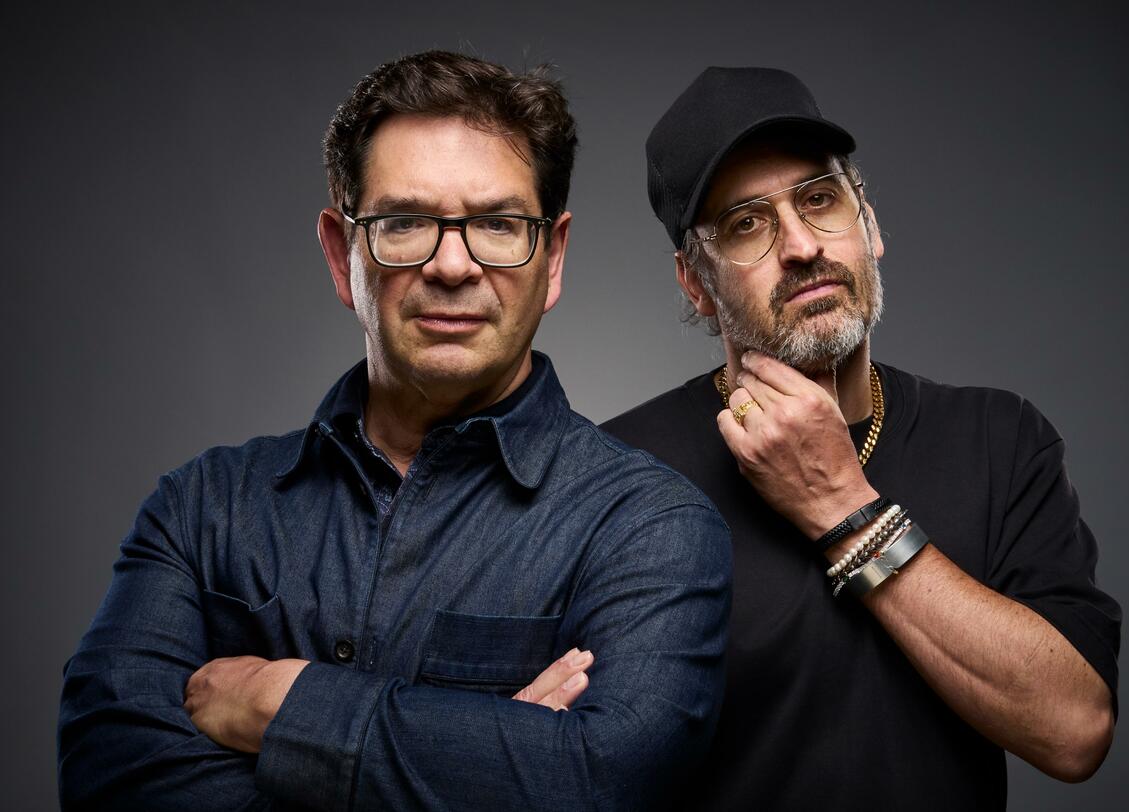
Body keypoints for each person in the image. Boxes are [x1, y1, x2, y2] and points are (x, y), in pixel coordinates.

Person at [58, 51, 731, 811]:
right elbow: (105, 776)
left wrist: (282, 701)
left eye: (498, 224)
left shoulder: (649, 528)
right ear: (339, 253)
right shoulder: (200, 509)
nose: (453, 265)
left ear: (552, 258)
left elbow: (605, 784)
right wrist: (484, 768)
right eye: (405, 223)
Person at [602, 66, 1121, 810]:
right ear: (695, 284)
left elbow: (1075, 731)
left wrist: (843, 507)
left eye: (819, 200)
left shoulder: (999, 439)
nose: (800, 246)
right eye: (747, 224)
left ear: (868, 224)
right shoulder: (617, 476)